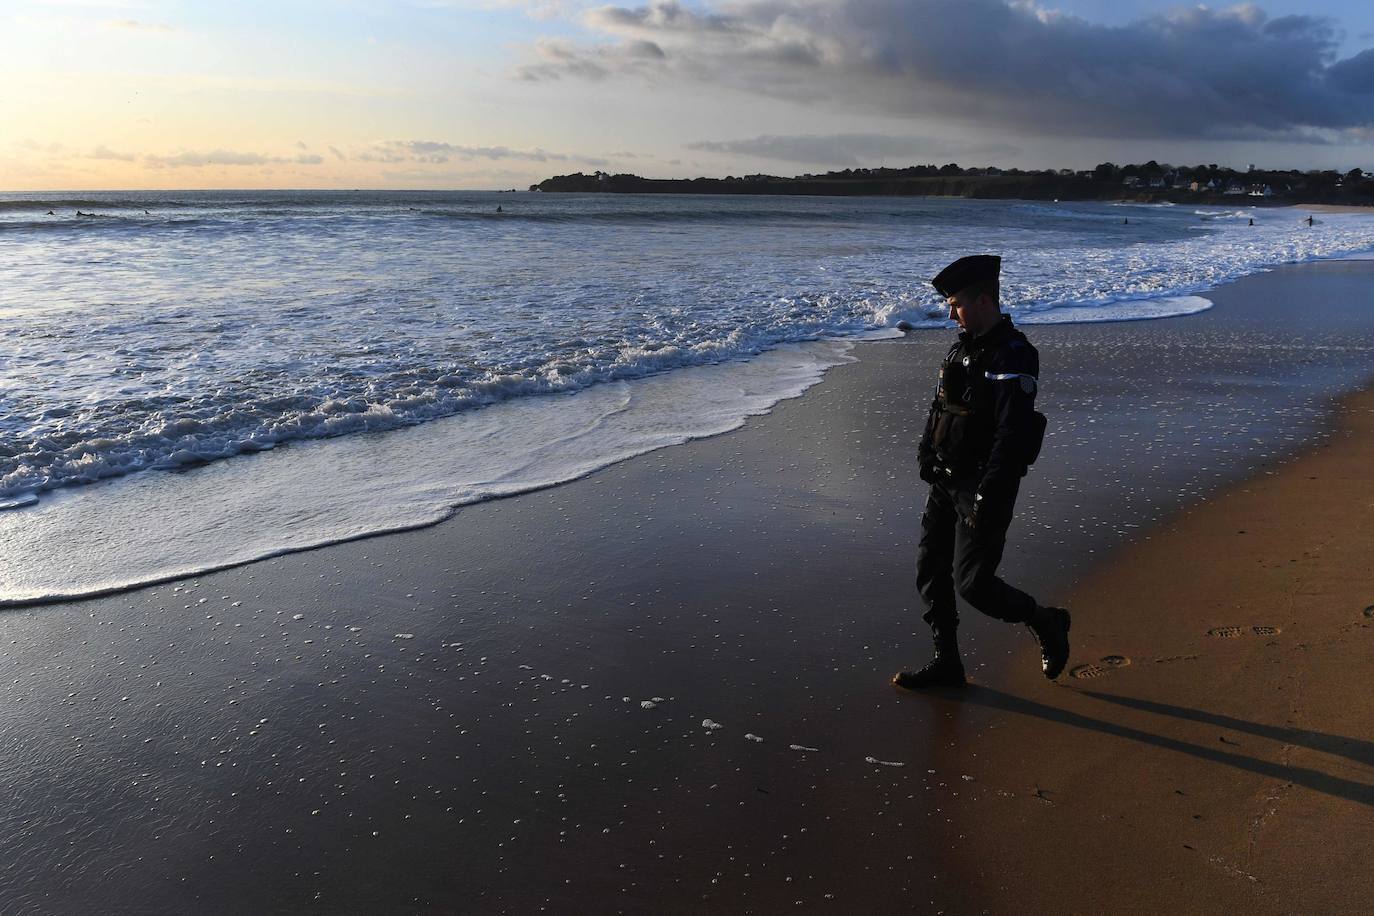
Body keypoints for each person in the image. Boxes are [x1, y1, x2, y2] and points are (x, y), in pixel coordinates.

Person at [893, 254, 1071, 689]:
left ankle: (1045, 620)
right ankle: (948, 663)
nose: (951, 314)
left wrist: (987, 494)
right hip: (945, 478)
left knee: (974, 585)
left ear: (984, 301)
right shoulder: (960, 348)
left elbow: (1011, 435)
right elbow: (939, 407)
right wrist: (925, 452)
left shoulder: (1014, 355)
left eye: (956, 304)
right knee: (930, 570)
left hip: (983, 484)